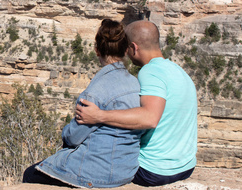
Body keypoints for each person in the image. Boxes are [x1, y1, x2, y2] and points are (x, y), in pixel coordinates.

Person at [23, 19, 143, 188]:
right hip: (126, 170)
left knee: (29, 173)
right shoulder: (137, 84)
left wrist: (65, 131)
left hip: (95, 173)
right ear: (125, 51)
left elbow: (73, 137)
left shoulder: (94, 92)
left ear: (96, 51)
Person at [75, 20, 197, 187]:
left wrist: (98, 116)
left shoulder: (150, 72)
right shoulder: (178, 71)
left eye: (126, 48)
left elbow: (150, 118)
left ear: (133, 47)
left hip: (153, 170)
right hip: (185, 166)